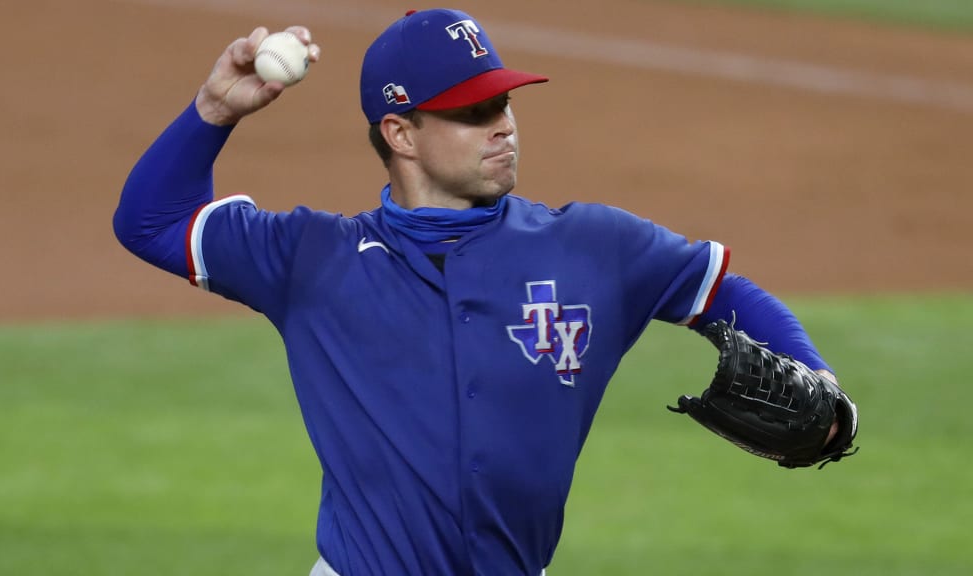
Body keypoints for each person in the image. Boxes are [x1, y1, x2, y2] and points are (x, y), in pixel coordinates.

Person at [114, 8, 847, 576]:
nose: (502, 127)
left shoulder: (594, 246)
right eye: (472, 113)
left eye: (502, 104)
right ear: (401, 132)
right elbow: (150, 222)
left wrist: (820, 381)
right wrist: (216, 109)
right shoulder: (310, 258)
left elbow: (722, 290)